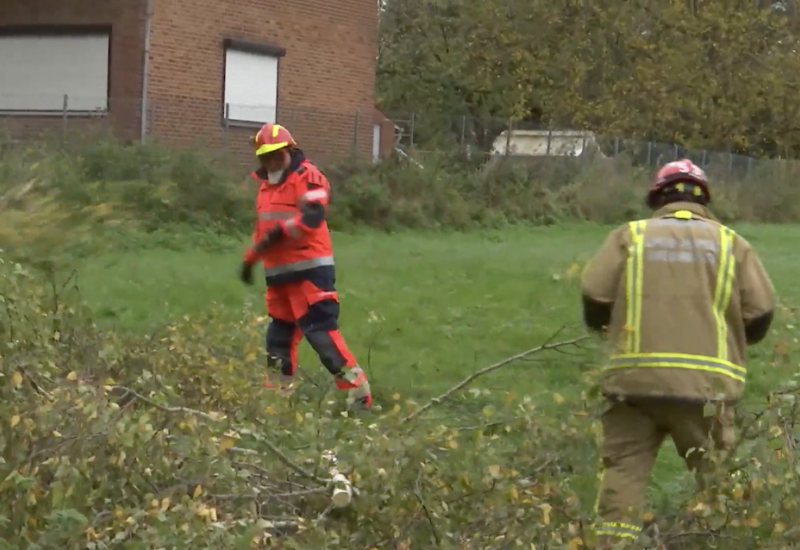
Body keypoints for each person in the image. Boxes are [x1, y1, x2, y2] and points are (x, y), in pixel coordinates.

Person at [580, 159, 775, 547]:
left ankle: (613, 545)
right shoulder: (732, 243)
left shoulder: (629, 236)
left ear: (658, 197)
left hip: (632, 387)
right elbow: (761, 313)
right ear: (704, 200)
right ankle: (725, 539)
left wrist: (613, 334)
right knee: (719, 485)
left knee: (621, 484)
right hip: (706, 392)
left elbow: (594, 297)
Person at [238, 122, 372, 410]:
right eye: (266, 157)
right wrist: (251, 258)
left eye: (276, 155)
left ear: (290, 150)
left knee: (320, 333)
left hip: (309, 272)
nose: (272, 161)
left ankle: (358, 392)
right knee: (278, 340)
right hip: (279, 277)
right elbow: (263, 230)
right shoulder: (265, 188)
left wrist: (278, 234)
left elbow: (312, 217)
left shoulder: (308, 176)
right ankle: (276, 401)